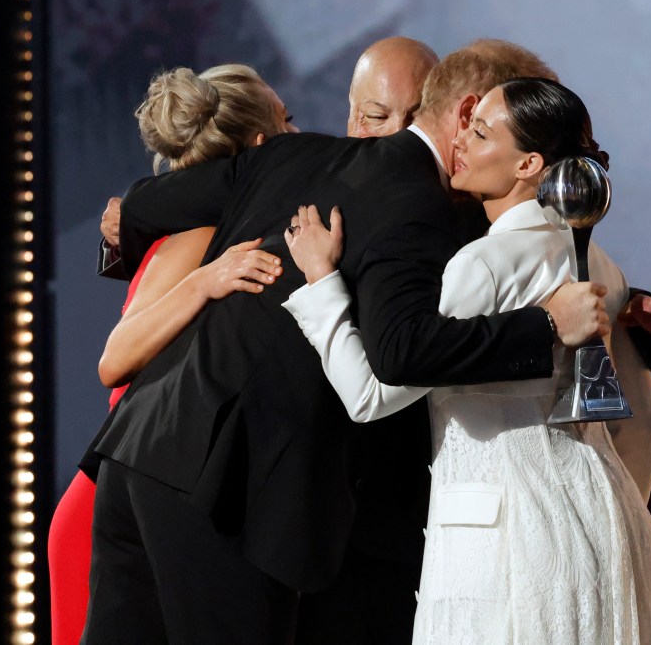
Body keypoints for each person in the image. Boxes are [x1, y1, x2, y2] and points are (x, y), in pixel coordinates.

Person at [80, 36, 619, 643]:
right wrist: (546, 325)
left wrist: (128, 231)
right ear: (468, 113)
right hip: (229, 486)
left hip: (139, 448)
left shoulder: (294, 156)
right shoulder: (428, 211)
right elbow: (401, 354)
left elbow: (136, 209)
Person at [282, 77, 651, 643]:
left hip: (509, 541)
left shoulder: (484, 264)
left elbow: (370, 396)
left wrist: (322, 281)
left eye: (481, 132)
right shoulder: (608, 269)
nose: (461, 141)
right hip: (607, 522)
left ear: (527, 164)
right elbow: (641, 415)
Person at [47, 63, 295, 645]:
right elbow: (115, 357)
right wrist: (207, 281)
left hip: (141, 487)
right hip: (119, 498)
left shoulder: (209, 223)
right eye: (289, 120)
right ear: (260, 143)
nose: (299, 137)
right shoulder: (201, 234)